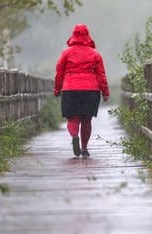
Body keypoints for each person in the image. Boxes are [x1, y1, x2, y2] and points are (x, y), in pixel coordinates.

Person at [54, 24, 109, 158]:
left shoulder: (66, 53)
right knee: (86, 120)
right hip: (90, 90)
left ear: (73, 35)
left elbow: (59, 73)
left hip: (70, 89)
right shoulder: (95, 54)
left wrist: (57, 89)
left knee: (73, 119)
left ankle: (74, 137)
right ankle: (84, 148)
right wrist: (105, 92)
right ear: (87, 36)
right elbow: (101, 74)